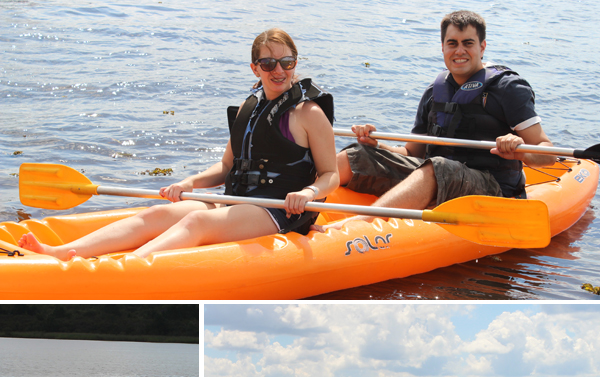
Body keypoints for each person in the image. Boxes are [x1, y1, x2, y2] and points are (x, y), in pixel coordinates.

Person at [18, 29, 339, 260]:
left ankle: (125, 267)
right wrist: (188, 183)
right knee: (156, 215)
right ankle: (61, 253)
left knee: (197, 221)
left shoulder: (308, 113)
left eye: (286, 61)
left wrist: (309, 193)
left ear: (295, 63)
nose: (279, 70)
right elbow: (227, 166)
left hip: (280, 209)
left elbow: (330, 175)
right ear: (255, 68)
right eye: (268, 64)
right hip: (237, 200)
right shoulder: (249, 107)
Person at [334, 10, 556, 223]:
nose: (459, 51)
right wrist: (377, 146)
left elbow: (547, 154)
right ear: (442, 47)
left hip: (493, 187)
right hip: (439, 175)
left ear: (482, 47)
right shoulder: (434, 92)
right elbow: (412, 152)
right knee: (356, 155)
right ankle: (304, 203)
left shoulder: (509, 89)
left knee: (437, 168)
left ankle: (357, 225)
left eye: (468, 43)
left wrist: (519, 149)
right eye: (452, 43)